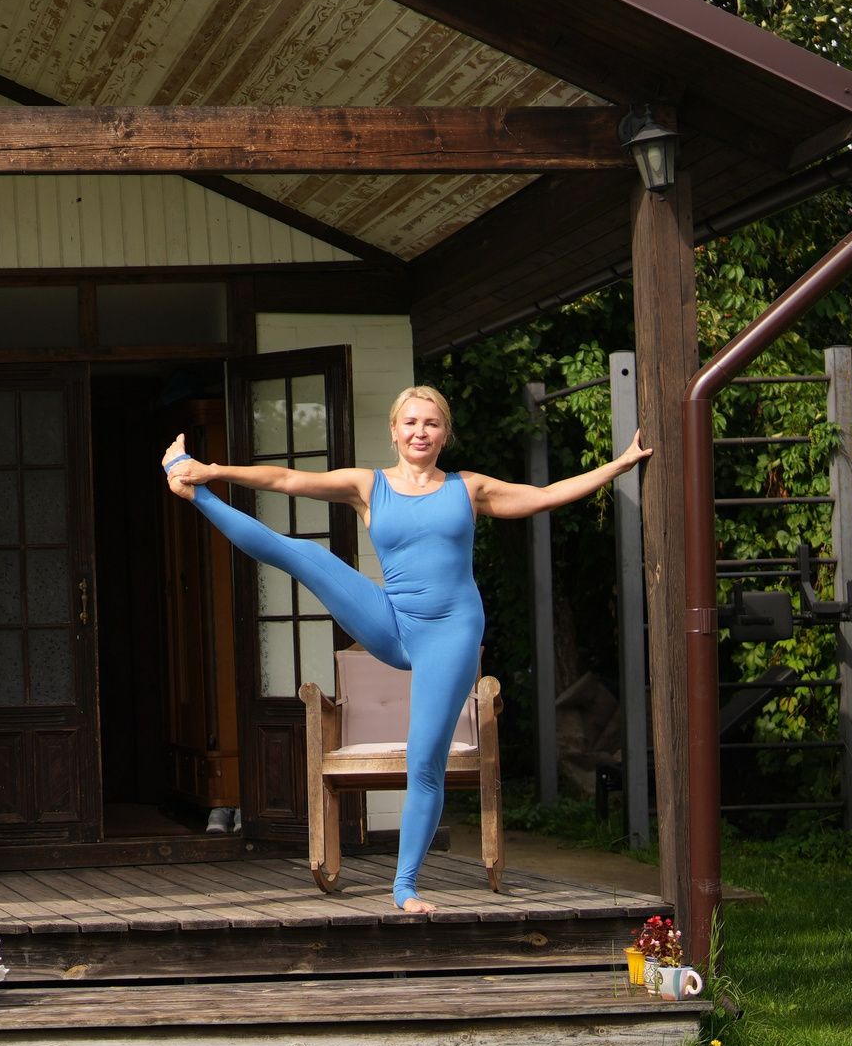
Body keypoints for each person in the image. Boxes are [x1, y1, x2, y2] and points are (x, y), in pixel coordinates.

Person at [161, 385, 650, 912]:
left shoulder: (468, 488)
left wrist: (618, 465)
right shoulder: (367, 485)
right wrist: (211, 472)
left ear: (445, 434)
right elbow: (284, 479)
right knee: (303, 553)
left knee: (424, 760)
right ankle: (195, 494)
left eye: (432, 423)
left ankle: (405, 887)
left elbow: (546, 495)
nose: (421, 432)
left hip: (451, 634)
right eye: (411, 422)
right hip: (393, 621)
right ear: (394, 431)